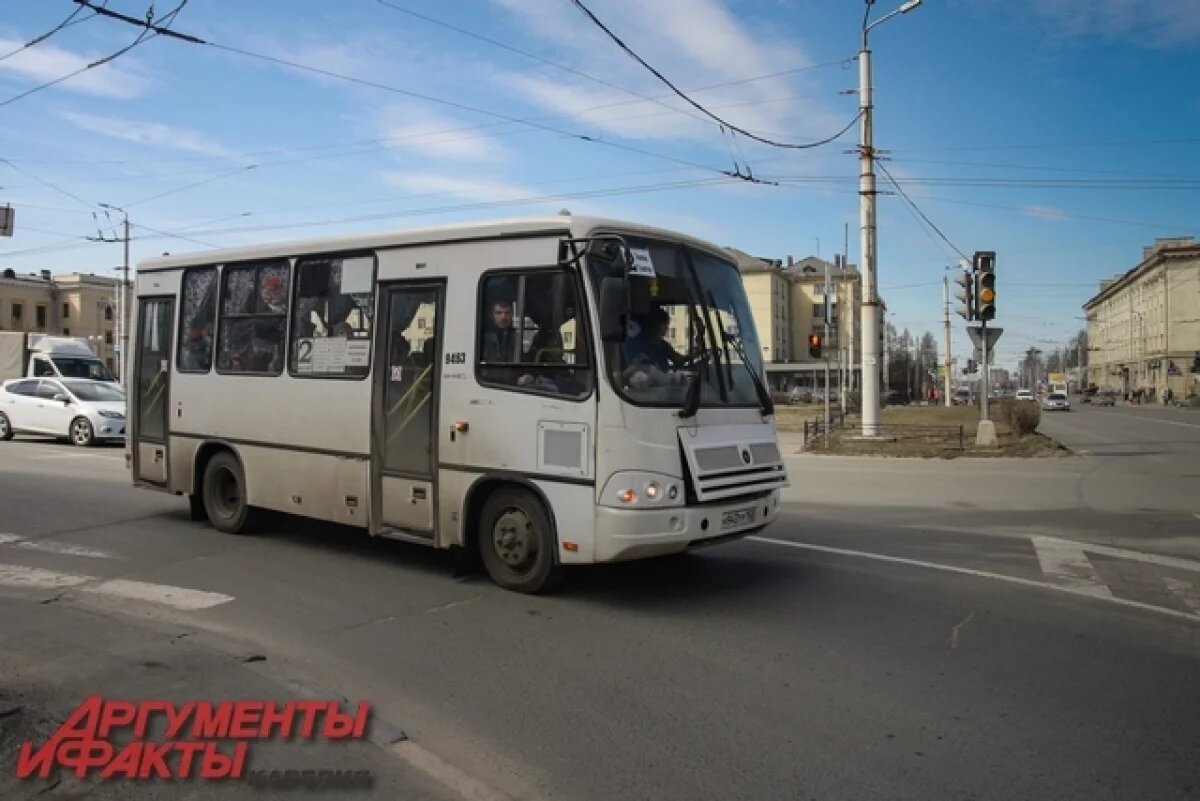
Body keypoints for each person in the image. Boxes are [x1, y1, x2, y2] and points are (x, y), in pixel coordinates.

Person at [622, 306, 688, 386]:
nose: (667, 328)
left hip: (664, 389)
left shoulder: (663, 345)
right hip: (644, 390)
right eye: (665, 324)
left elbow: (677, 359)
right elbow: (635, 369)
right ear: (657, 325)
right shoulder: (637, 345)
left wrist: (696, 353)